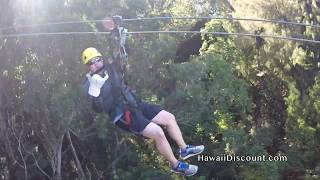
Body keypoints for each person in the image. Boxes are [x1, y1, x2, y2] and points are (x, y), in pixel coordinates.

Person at [82, 46, 204, 176]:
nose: (95, 64)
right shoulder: (89, 84)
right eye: (91, 62)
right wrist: (95, 92)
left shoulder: (112, 68)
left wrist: (117, 33)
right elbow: (98, 109)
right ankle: (176, 165)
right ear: (87, 66)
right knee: (158, 132)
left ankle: (184, 149)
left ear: (102, 59)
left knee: (169, 118)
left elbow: (123, 52)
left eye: (97, 59)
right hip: (123, 115)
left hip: (135, 104)